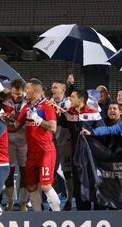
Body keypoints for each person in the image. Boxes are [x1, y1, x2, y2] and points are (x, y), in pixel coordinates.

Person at [14, 78, 61, 211]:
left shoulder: (47, 106)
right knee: (31, 186)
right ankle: (38, 215)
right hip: (32, 153)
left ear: (36, 91)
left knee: (46, 185)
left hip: (46, 151)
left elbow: (52, 127)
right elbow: (15, 126)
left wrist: (37, 118)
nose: (25, 91)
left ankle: (58, 215)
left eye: (27, 89)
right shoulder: (26, 107)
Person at [61, 89, 105, 210]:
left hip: (93, 155)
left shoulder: (93, 113)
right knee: (79, 182)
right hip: (77, 155)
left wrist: (91, 132)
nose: (70, 99)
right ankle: (82, 211)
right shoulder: (69, 113)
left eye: (73, 97)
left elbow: (103, 131)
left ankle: (99, 210)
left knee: (95, 181)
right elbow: (59, 122)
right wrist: (58, 112)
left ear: (81, 100)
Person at [3, 79, 28, 211]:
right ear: (11, 90)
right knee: (9, 171)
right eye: (14, 93)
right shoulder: (4, 99)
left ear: (23, 91)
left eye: (19, 94)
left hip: (24, 140)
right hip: (9, 140)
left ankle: (23, 202)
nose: (16, 96)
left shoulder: (28, 102)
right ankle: (10, 202)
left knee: (24, 171)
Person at [50, 80, 73, 210]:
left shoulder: (68, 102)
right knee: (51, 172)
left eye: (56, 87)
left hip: (65, 141)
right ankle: (53, 201)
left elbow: (68, 119)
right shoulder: (48, 102)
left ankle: (69, 199)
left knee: (67, 171)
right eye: (52, 87)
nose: (53, 89)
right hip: (51, 142)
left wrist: (58, 111)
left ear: (63, 90)